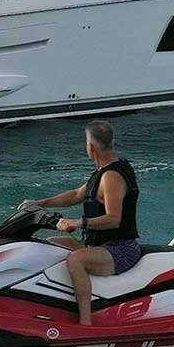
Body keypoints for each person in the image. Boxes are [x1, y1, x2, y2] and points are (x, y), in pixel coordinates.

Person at [31, 120, 140, 325]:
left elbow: (114, 219)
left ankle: (85, 323)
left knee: (75, 259)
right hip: (100, 245)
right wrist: (39, 204)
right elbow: (75, 195)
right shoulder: (102, 172)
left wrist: (79, 222)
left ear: (90, 146)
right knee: (50, 244)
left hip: (121, 250)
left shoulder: (112, 176)